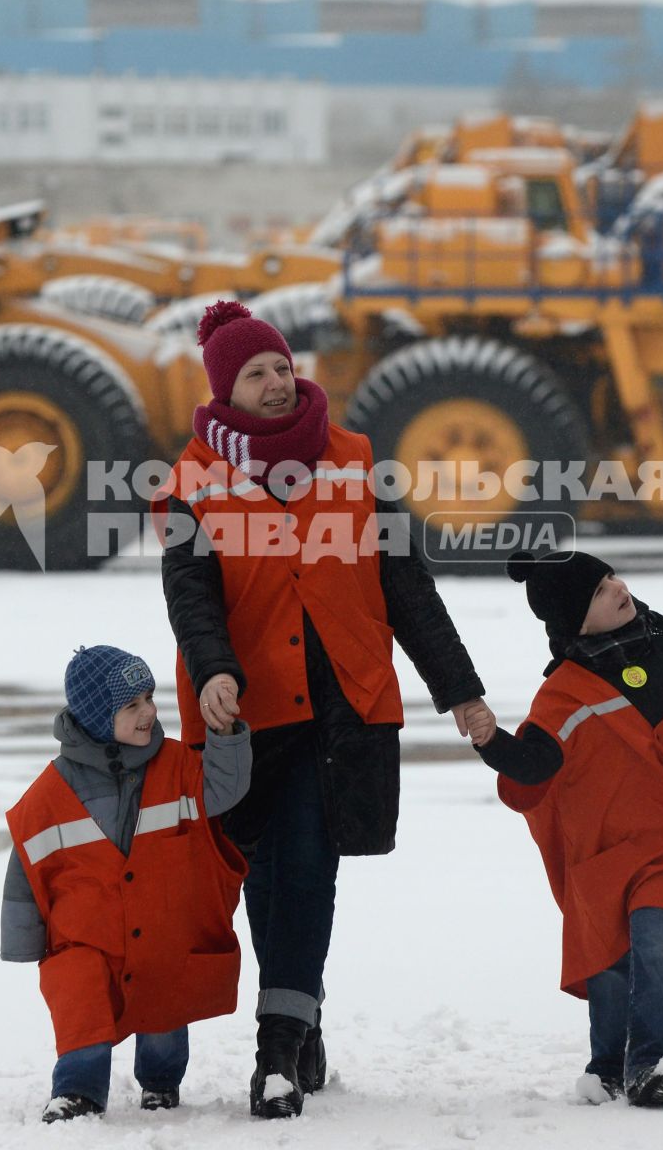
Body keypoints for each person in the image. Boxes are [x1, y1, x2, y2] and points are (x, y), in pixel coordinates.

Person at [157, 299, 495, 1118]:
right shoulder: (189, 483)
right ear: (225, 392)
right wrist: (212, 672)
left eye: (282, 367)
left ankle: (275, 1053)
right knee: (261, 880)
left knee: (308, 862)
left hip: (343, 707)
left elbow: (407, 589)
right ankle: (301, 1024)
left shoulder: (353, 460)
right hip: (243, 710)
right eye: (256, 374)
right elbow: (191, 596)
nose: (277, 384)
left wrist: (463, 692)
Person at [470, 550, 663, 1109]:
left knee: (658, 942)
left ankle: (657, 1062)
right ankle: (607, 1064)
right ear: (575, 621)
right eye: (597, 590)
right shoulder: (564, 692)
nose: (616, 586)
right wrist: (494, 742)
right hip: (606, 857)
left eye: (610, 576)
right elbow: (536, 765)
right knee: (609, 964)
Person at [0, 645, 251, 1124]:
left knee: (162, 1014)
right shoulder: (49, 794)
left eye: (150, 698)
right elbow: (25, 869)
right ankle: (77, 1091)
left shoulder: (177, 765)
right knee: (82, 1011)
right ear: (97, 715)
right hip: (84, 938)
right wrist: (21, 939)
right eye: (132, 706)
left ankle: (160, 1083)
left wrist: (225, 736)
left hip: (159, 930)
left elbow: (225, 789)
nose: (150, 713)